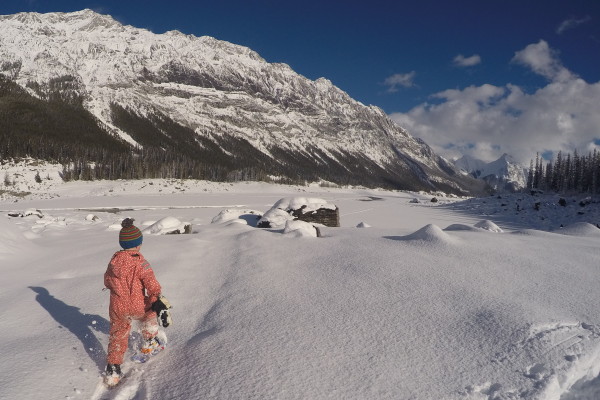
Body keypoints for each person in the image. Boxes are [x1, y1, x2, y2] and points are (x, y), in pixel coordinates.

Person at [103, 218, 170, 386]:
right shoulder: (141, 263)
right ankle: (149, 341)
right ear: (138, 244)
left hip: (117, 306)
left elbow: (107, 281)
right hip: (137, 304)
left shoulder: (113, 262)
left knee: (118, 334)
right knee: (149, 314)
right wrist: (156, 298)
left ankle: (113, 369)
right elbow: (151, 283)